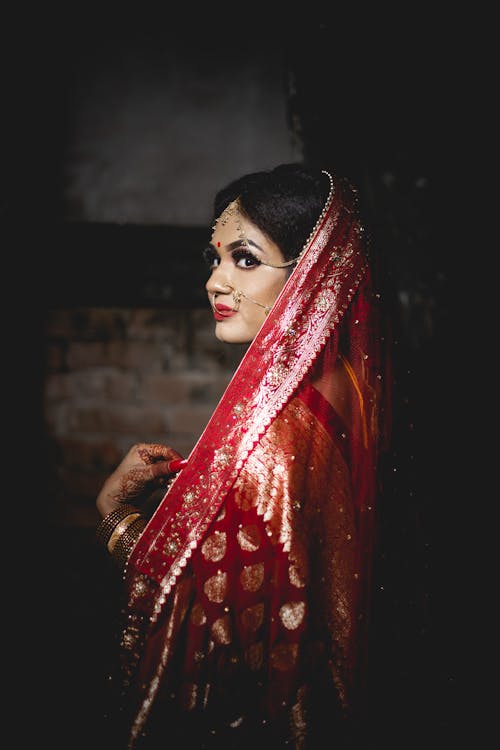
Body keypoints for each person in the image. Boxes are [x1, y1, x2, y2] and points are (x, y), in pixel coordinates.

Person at [95, 162, 393, 748]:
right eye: (216, 257)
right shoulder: (350, 391)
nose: (215, 281)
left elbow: (207, 623)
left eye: (246, 259)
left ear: (313, 275)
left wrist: (114, 516)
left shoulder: (272, 447)